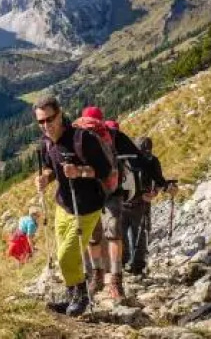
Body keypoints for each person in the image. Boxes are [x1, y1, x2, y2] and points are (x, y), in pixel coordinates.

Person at [33, 96, 113, 316]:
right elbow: (50, 167)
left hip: (87, 206)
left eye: (50, 119)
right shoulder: (46, 142)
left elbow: (105, 170)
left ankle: (82, 296)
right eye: (41, 121)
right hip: (64, 204)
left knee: (66, 255)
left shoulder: (82, 139)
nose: (46, 125)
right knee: (65, 254)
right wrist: (45, 178)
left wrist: (79, 172)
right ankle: (71, 296)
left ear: (59, 115)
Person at [77, 106, 130, 303]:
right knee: (111, 234)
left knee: (96, 236)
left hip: (95, 193)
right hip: (110, 190)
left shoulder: (79, 137)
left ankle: (100, 276)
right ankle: (112, 279)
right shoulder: (111, 135)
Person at [121, 136, 177, 275]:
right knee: (126, 234)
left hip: (139, 202)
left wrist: (154, 193)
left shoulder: (151, 161)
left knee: (139, 232)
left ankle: (136, 266)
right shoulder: (127, 159)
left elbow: (158, 181)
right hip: (126, 202)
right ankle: (124, 264)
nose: (145, 155)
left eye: (147, 151)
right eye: (143, 151)